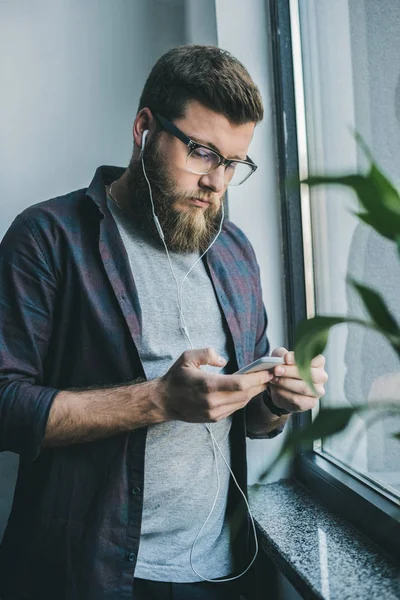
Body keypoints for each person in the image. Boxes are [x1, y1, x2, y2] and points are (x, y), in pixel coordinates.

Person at [0, 45, 327, 600]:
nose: (217, 183)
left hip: (225, 572)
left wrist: (276, 401)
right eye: (202, 152)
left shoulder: (234, 251)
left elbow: (247, 422)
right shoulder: (46, 237)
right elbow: (4, 406)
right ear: (144, 128)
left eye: (232, 163)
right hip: (89, 575)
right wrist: (158, 400)